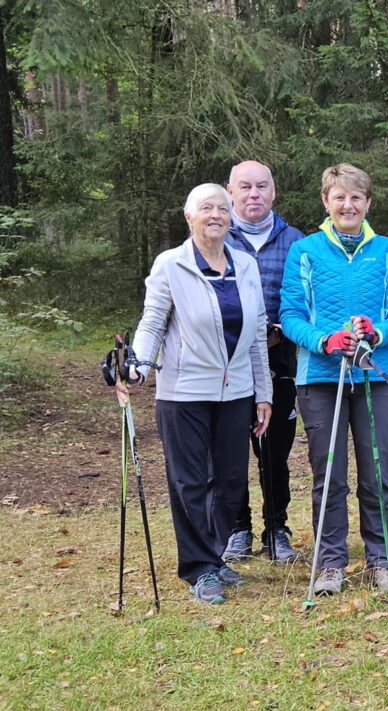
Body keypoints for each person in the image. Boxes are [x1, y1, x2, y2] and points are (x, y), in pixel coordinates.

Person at [117, 183, 272, 604]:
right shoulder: (171, 264)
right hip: (183, 391)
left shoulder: (245, 265)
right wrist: (138, 367)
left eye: (222, 208)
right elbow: (151, 324)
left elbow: (257, 335)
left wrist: (264, 392)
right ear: (189, 217)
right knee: (189, 482)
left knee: (230, 482)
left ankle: (215, 554)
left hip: (236, 391)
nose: (215, 215)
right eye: (206, 208)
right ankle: (199, 566)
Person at [279, 163, 388, 595]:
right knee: (329, 474)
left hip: (376, 377)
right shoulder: (305, 251)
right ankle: (330, 562)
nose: (348, 204)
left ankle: (382, 559)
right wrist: (324, 340)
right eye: (339, 197)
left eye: (356, 197)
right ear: (326, 201)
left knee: (377, 474)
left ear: (368, 202)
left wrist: (376, 333)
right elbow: (290, 316)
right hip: (319, 378)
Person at [221, 160, 306, 564]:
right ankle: (238, 528)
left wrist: (280, 330)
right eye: (245, 187)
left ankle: (277, 528)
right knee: (231, 448)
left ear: (273, 192)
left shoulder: (295, 241)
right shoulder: (217, 237)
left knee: (274, 450)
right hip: (228, 363)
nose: (254, 194)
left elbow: (307, 302)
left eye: (261, 186)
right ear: (230, 192)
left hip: (282, 360)